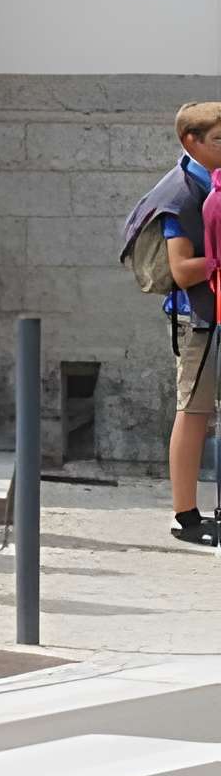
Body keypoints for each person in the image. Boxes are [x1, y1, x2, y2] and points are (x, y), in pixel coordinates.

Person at [154, 99, 221, 545]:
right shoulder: (179, 195)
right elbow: (181, 270)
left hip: (214, 310)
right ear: (191, 142)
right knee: (194, 413)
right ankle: (185, 515)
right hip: (195, 318)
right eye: (219, 140)